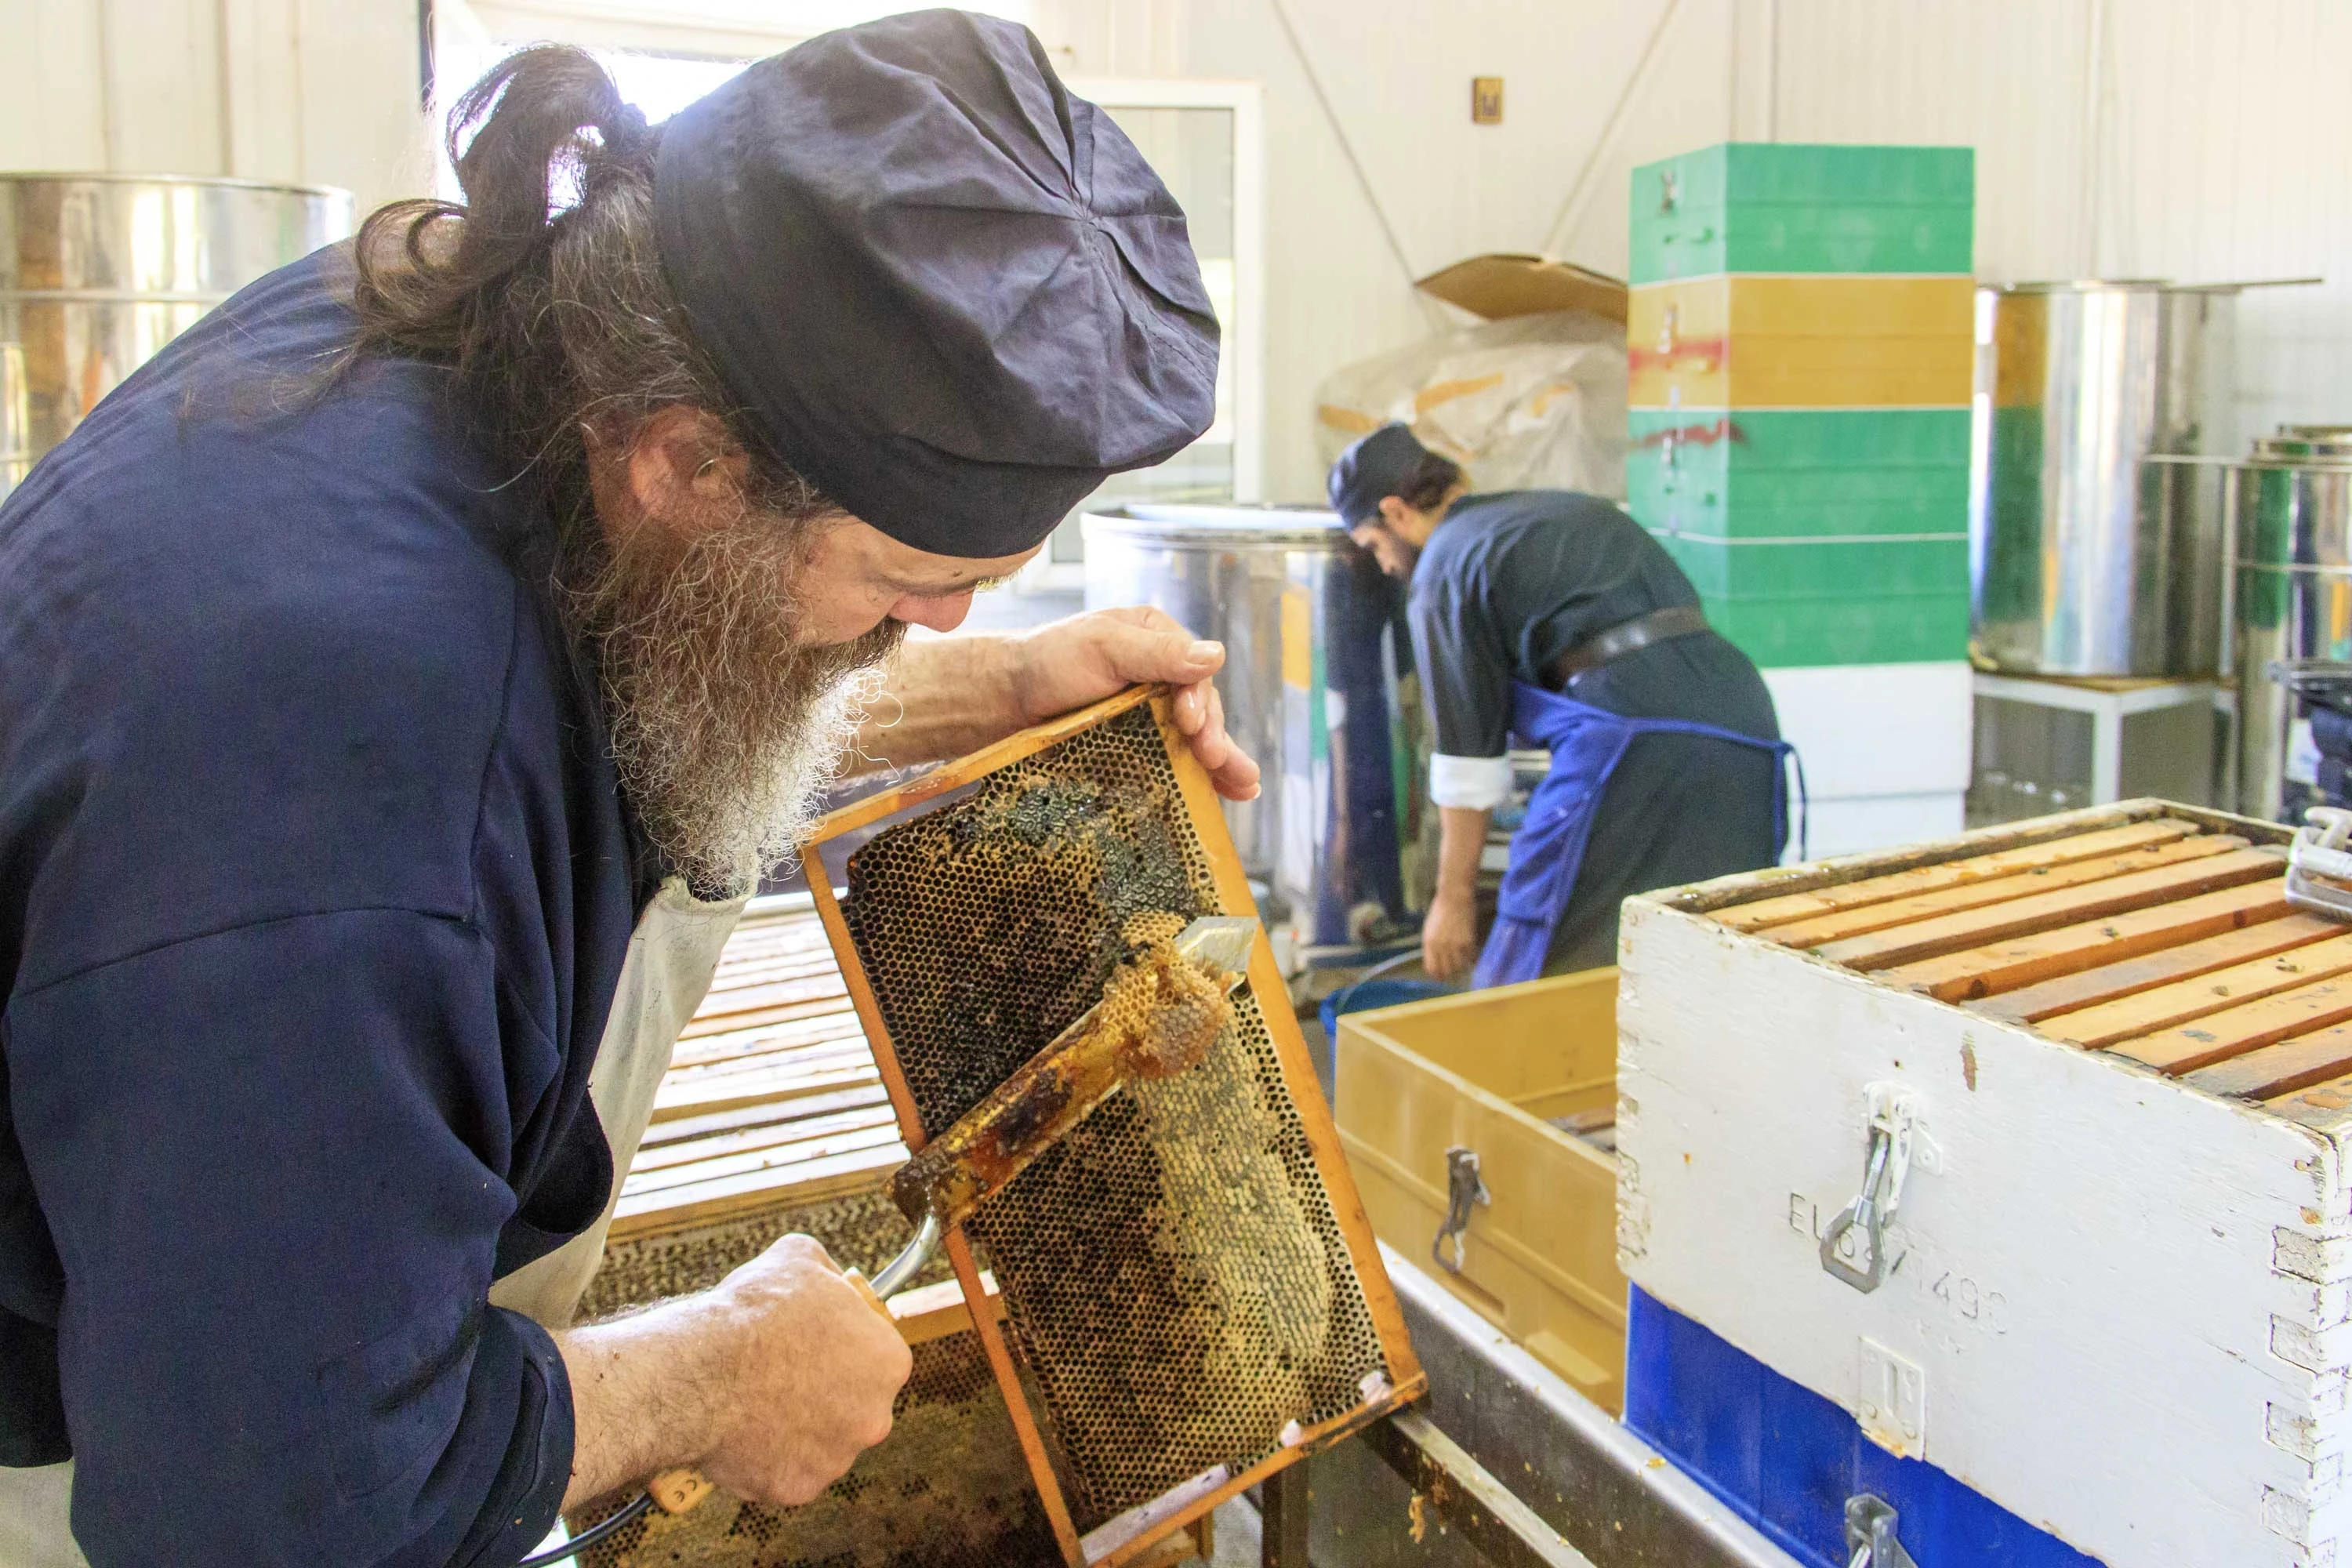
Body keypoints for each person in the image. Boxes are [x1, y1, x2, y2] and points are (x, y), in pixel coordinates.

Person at [0, 16, 1259, 1567]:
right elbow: (267, 1500)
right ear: (687, 465)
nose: (928, 624)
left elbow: (642, 697)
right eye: (907, 577)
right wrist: (709, 1373)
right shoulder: (339, 804)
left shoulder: (480, 333)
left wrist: (996, 689)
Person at [1329, 423, 1792, 985]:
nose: (1384, 565)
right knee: (1710, 951)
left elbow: (1467, 765)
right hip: (1746, 719)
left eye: (1374, 546)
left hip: (1640, 741)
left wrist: (1451, 904)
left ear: (1397, 512)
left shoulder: (1445, 564)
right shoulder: (1556, 510)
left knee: (1536, 955)